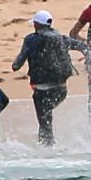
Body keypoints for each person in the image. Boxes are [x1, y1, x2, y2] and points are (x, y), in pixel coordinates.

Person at [11, 10, 84, 145]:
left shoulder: (31, 40)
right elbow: (82, 46)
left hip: (42, 90)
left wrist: (17, 62)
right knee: (47, 118)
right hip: (62, 90)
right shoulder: (61, 39)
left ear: (37, 25)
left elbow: (16, 66)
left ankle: (47, 151)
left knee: (45, 122)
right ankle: (50, 146)